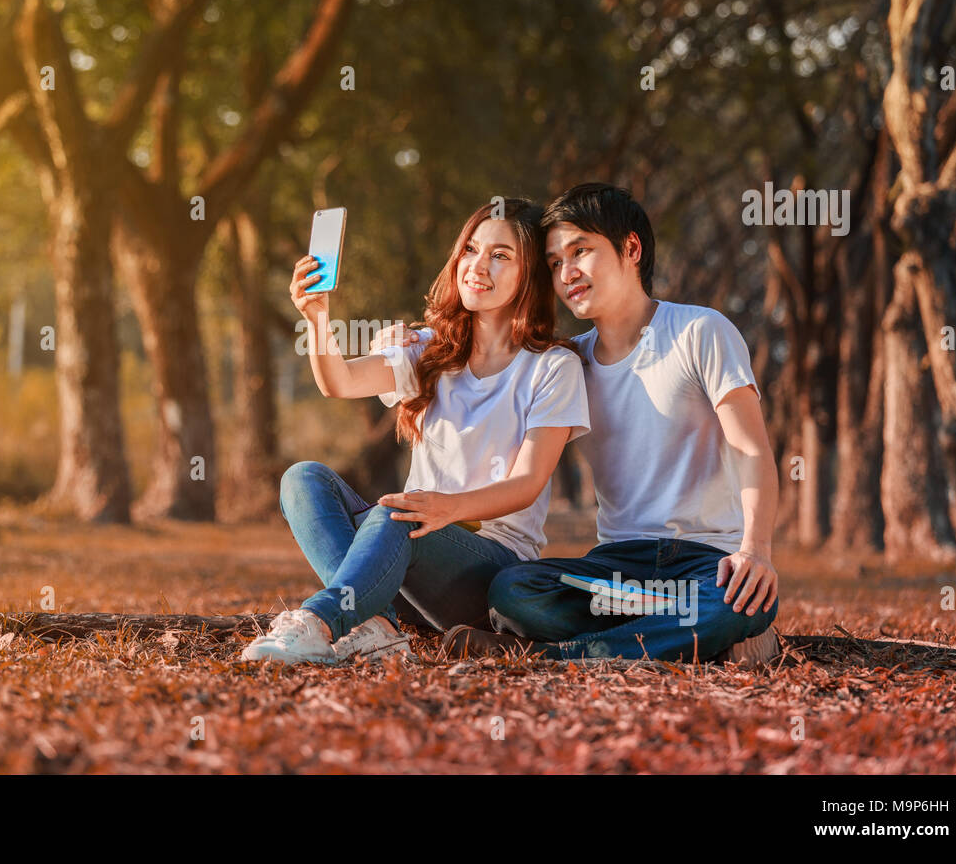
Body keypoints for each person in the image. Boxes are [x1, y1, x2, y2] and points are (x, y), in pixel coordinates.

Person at [422, 184, 780, 664]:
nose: (566, 273)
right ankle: (675, 636)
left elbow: (752, 449)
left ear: (631, 249)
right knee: (514, 589)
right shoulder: (569, 364)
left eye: (580, 252)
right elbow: (488, 379)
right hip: (614, 571)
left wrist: (755, 550)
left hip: (705, 560)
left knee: (740, 603)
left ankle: (554, 657)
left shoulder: (701, 332)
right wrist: (424, 341)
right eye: (553, 263)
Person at [242, 198, 591, 664]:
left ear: (530, 275)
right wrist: (317, 316)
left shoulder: (552, 367)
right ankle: (379, 624)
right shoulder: (430, 350)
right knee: (302, 478)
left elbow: (526, 485)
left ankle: (317, 622)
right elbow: (339, 382)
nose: (477, 266)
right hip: (405, 552)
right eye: (469, 249)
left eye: (500, 255)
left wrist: (445, 509)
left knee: (398, 515)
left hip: (487, 569)